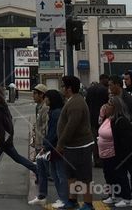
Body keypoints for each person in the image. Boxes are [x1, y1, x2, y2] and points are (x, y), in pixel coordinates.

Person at [0, 86, 40, 197]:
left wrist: (0, 142)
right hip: (6, 140)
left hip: (0, 141)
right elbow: (8, 123)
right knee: (17, 158)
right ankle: (36, 169)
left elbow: (0, 127)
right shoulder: (3, 106)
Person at [55, 75, 95, 210]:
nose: (61, 88)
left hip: (81, 145)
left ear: (69, 88)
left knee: (84, 176)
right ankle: (72, 200)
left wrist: (60, 144)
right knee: (71, 175)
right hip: (72, 146)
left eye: (63, 86)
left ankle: (88, 204)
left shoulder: (76, 103)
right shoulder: (72, 101)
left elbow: (71, 126)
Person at [98, 96, 132, 207]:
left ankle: (127, 198)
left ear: (115, 107)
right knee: (110, 175)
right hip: (107, 153)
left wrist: (121, 154)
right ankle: (115, 195)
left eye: (109, 105)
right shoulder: (110, 118)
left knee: (121, 176)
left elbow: (125, 141)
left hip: (118, 154)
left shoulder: (121, 121)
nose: (106, 106)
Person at [41, 89, 69, 209]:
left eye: (47, 97)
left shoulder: (56, 113)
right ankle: (62, 198)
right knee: (56, 173)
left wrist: (45, 145)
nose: (45, 99)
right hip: (55, 146)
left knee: (60, 174)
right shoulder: (55, 111)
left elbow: (54, 132)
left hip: (57, 147)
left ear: (51, 99)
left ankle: (64, 199)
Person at [28, 84, 49, 205]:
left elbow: (45, 126)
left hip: (43, 143)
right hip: (38, 141)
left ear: (42, 94)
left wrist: (42, 142)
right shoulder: (38, 106)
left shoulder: (44, 108)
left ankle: (43, 194)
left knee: (44, 168)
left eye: (35, 94)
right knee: (41, 168)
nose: (33, 96)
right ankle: (41, 194)